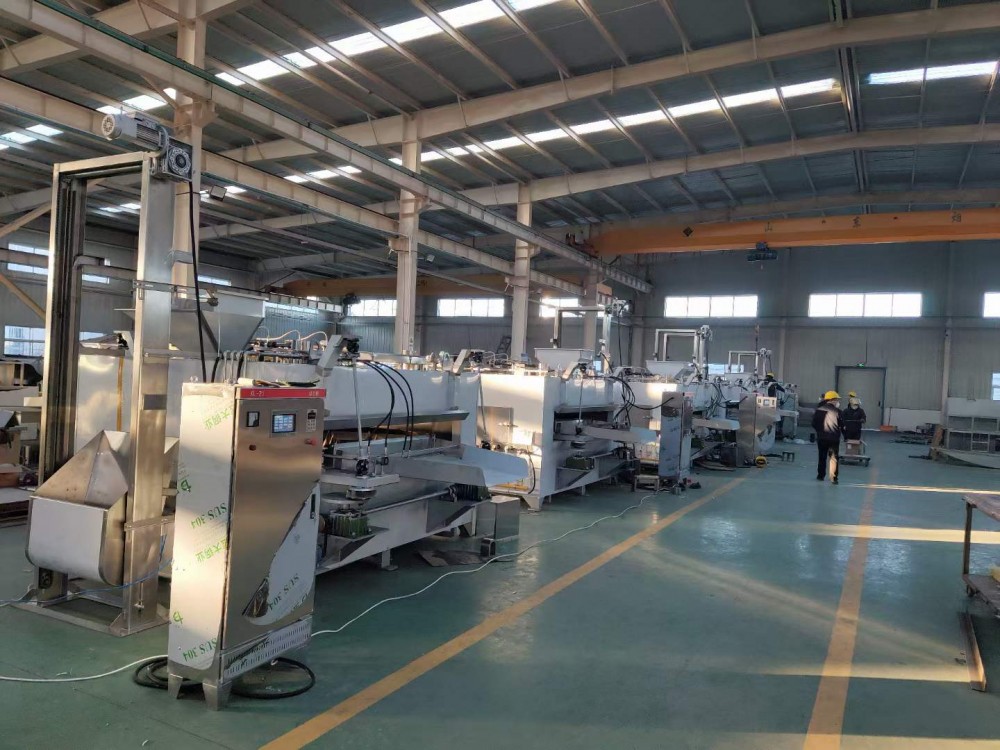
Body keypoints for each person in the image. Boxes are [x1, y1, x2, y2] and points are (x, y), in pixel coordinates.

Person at [812, 390, 844, 484]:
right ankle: (833, 478)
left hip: (821, 438)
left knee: (822, 457)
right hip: (834, 439)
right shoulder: (838, 412)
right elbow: (842, 425)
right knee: (833, 458)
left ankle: (820, 476)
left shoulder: (818, 410)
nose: (837, 402)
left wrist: (820, 431)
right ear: (832, 400)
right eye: (837, 400)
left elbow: (814, 423)